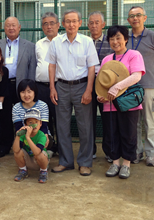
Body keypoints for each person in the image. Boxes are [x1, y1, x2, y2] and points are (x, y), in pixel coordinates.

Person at [46, 9, 99, 176]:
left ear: (80, 23)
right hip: (61, 87)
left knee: (85, 127)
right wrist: (52, 87)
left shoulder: (87, 41)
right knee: (62, 126)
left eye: (74, 21)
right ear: (62, 24)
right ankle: (65, 161)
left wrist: (89, 90)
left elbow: (92, 68)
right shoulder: (56, 42)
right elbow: (52, 65)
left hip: (82, 87)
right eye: (67, 21)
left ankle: (85, 162)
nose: (71, 24)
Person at [96, 25, 145, 179]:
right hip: (109, 105)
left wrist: (116, 87)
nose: (115, 41)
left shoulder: (134, 55)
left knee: (128, 134)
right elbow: (101, 82)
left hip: (128, 104)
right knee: (111, 134)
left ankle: (126, 164)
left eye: (118, 38)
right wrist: (100, 96)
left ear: (125, 39)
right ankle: (115, 162)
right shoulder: (106, 59)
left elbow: (136, 76)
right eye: (112, 38)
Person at [127, 6, 154, 167]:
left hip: (149, 87)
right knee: (134, 122)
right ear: (128, 20)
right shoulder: (125, 38)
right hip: (130, 88)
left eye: (138, 15)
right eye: (132, 16)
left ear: (145, 17)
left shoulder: (153, 36)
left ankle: (150, 154)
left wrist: (152, 78)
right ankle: (136, 151)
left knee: (149, 121)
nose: (135, 18)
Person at [0, 16, 37, 158]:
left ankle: (26, 144)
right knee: (4, 115)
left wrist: (30, 88)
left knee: (24, 114)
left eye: (14, 25)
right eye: (8, 26)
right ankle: (5, 145)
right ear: (4, 28)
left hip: (22, 85)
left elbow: (32, 67)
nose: (11, 28)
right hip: (3, 85)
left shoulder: (30, 45)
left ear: (19, 27)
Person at [88, 11, 113, 161]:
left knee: (108, 120)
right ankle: (90, 151)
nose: (94, 25)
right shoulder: (84, 42)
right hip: (88, 86)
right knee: (88, 120)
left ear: (103, 25)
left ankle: (110, 151)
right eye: (91, 23)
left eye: (97, 22)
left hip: (106, 87)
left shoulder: (111, 42)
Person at [35, 12, 60, 154]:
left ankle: (62, 148)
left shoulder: (63, 42)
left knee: (59, 118)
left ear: (58, 25)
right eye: (45, 23)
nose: (49, 26)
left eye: (52, 23)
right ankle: (49, 147)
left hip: (58, 86)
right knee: (45, 119)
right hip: (41, 87)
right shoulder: (38, 44)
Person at [12, 108, 49, 183]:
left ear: (40, 123)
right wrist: (18, 136)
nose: (34, 124)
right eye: (30, 122)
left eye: (36, 122)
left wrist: (28, 138)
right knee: (18, 152)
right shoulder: (23, 133)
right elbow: (15, 150)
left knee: (40, 155)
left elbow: (37, 152)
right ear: (25, 125)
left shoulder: (42, 135)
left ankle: (43, 171)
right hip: (28, 159)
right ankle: (23, 170)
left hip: (40, 161)